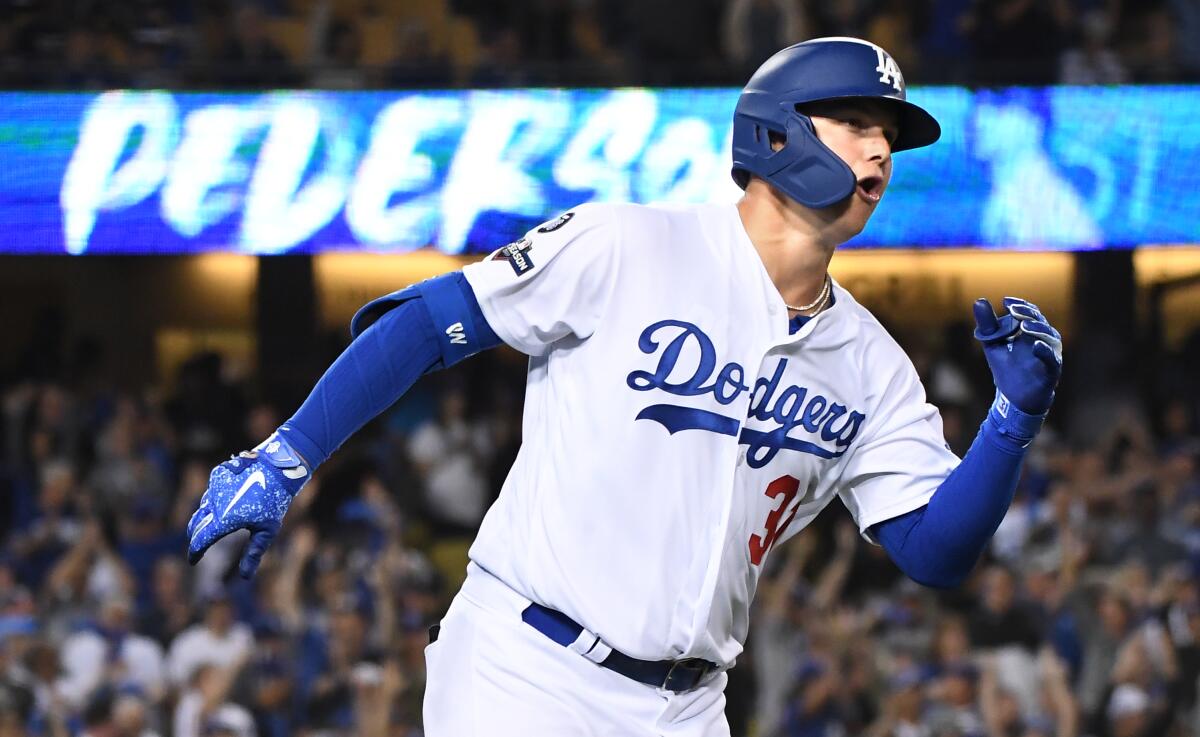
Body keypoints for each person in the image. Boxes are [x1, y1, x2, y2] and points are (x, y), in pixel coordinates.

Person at [184, 38, 1063, 736]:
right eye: (855, 122)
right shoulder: (631, 243)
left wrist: (1012, 420)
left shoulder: (871, 362)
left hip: (689, 705)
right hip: (526, 671)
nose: (880, 147)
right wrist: (286, 454)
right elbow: (426, 321)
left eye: (890, 135)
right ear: (778, 131)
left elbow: (933, 550)